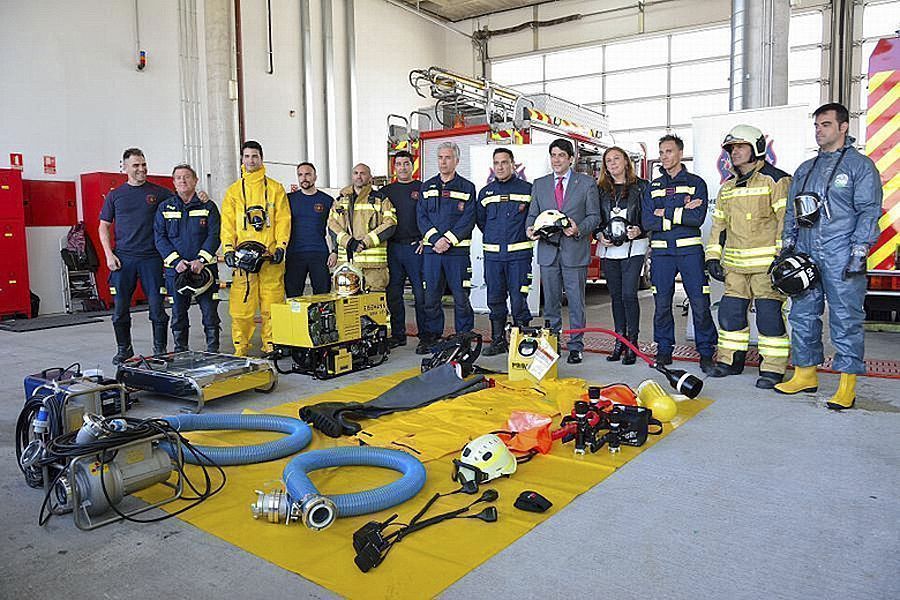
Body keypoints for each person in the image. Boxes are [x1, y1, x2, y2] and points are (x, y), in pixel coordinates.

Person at [775, 102, 882, 409]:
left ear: (843, 127)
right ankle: (806, 373)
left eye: (825, 125)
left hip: (842, 253)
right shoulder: (805, 169)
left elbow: (868, 211)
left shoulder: (860, 166)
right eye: (817, 126)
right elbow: (792, 213)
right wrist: (788, 247)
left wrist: (859, 250)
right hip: (806, 253)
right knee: (802, 314)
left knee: (845, 317)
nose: (819, 131)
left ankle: (847, 383)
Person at [705, 125, 792, 389]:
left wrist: (782, 257)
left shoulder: (776, 180)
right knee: (730, 316)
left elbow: (785, 223)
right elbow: (719, 227)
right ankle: (730, 361)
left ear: (757, 147)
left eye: (741, 147)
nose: (735, 152)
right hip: (735, 268)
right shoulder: (727, 188)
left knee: (768, 317)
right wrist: (712, 257)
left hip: (767, 267)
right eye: (732, 148)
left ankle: (773, 369)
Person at [641, 134, 717, 373]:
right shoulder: (652, 186)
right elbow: (646, 221)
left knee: (699, 302)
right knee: (662, 303)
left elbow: (697, 218)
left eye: (669, 151)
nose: (664, 156)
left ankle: (706, 351)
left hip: (690, 253)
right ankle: (664, 349)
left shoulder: (696, 183)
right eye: (661, 152)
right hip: (662, 255)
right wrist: (680, 211)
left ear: (680, 153)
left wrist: (664, 213)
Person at [526, 138, 601, 364]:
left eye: (561, 155)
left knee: (576, 302)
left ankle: (576, 346)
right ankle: (552, 344)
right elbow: (532, 215)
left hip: (574, 251)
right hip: (548, 252)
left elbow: (594, 216)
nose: (556, 160)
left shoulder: (586, 184)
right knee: (550, 303)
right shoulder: (539, 184)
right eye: (553, 155)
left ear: (571, 158)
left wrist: (579, 229)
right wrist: (530, 229)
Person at [99, 148, 173, 363]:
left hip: (152, 259)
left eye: (143, 164)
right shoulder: (115, 196)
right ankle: (124, 350)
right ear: (124, 167)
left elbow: (183, 203)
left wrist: (200, 196)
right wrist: (108, 255)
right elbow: (103, 227)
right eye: (136, 165)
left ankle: (160, 350)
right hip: (124, 260)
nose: (141, 169)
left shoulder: (160, 193)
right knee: (120, 309)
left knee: (157, 309)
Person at [221, 140, 290, 357]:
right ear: (242, 159)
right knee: (242, 308)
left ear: (261, 158)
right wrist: (229, 250)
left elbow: (283, 220)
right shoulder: (233, 192)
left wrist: (281, 247)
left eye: (255, 156)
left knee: (273, 305)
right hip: (244, 262)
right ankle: (241, 348)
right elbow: (228, 224)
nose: (251, 160)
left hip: (270, 260)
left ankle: (272, 346)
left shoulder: (276, 189)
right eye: (247, 156)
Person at [154, 164, 221, 352]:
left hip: (204, 271)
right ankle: (180, 351)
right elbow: (159, 237)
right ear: (173, 182)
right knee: (178, 315)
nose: (182, 180)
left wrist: (201, 260)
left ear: (195, 180)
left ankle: (213, 351)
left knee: (210, 314)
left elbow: (215, 235)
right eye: (178, 178)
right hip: (176, 272)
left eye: (187, 177)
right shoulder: (164, 208)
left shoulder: (208, 206)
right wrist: (176, 262)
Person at [417, 141, 477, 350]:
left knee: (461, 297)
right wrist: (435, 240)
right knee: (431, 296)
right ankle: (432, 336)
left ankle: (463, 338)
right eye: (440, 158)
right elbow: (421, 217)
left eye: (448, 157)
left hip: (457, 253)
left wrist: (448, 240)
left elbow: (468, 219)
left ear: (457, 161)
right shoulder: (427, 186)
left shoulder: (467, 187)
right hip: (432, 253)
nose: (443, 162)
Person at [476, 147, 534, 356]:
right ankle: (498, 340)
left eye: (504, 162)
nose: (500, 166)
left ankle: (522, 343)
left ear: (513, 164)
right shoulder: (486, 192)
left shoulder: (528, 189)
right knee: (495, 299)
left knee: (519, 301)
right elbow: (481, 221)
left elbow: (532, 218)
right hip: (493, 258)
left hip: (519, 257)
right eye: (497, 163)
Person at [595, 146, 648, 365]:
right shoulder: (601, 190)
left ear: (626, 161)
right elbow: (595, 216)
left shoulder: (641, 187)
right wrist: (598, 234)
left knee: (629, 294)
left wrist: (640, 230)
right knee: (615, 297)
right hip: (609, 249)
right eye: (608, 160)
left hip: (633, 248)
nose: (613, 163)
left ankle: (632, 343)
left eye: (617, 158)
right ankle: (619, 341)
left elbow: (649, 216)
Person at [381, 151, 427, 352]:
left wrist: (426, 239)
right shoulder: (386, 191)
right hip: (393, 248)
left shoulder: (422, 188)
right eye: (398, 164)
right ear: (394, 167)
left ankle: (425, 335)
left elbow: (430, 215)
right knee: (394, 294)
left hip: (416, 247)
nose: (402, 167)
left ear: (412, 165)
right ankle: (398, 335)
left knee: (421, 295)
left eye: (406, 163)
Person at [328, 163, 396, 292]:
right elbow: (332, 225)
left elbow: (390, 224)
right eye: (356, 173)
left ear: (370, 177)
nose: (359, 176)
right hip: (346, 265)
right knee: (348, 308)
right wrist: (349, 242)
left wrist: (365, 243)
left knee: (373, 307)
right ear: (352, 176)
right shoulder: (340, 201)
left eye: (363, 173)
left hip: (373, 269)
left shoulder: (381, 200)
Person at [285, 162, 336, 297]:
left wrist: (334, 251)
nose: (304, 178)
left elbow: (334, 229)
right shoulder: (288, 200)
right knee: (293, 298)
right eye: (300, 175)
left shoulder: (327, 200)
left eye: (308, 174)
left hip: (319, 254)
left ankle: (320, 319)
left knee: (323, 297)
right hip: (294, 254)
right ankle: (296, 319)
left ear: (315, 177)